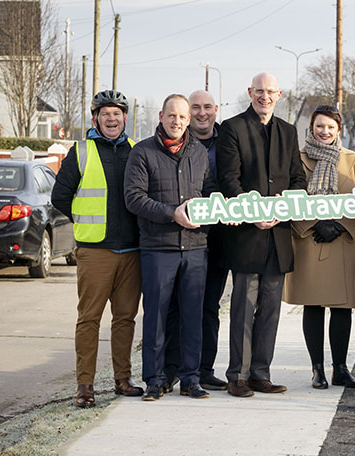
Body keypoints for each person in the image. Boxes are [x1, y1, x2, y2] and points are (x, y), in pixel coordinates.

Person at [216, 72, 307, 398]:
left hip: (278, 235)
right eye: (259, 91)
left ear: (278, 95)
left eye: (270, 92)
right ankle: (236, 376)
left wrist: (281, 210)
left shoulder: (288, 131)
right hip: (246, 235)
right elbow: (229, 179)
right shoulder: (232, 127)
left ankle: (260, 374)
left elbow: (298, 179)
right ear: (250, 92)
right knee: (243, 308)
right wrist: (253, 214)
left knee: (270, 309)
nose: (264, 97)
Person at [52, 90, 143, 407]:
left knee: (125, 318)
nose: (111, 118)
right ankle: (85, 386)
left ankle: (123, 378)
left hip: (132, 251)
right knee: (89, 319)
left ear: (125, 119)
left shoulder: (137, 150)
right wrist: (82, 224)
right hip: (95, 251)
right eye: (105, 114)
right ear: (95, 119)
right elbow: (59, 197)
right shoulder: (81, 152)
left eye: (117, 113)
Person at [124, 94, 216, 401]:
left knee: (193, 315)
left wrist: (222, 209)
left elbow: (210, 191)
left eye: (182, 117)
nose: (177, 121)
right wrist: (171, 213)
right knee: (157, 317)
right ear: (161, 116)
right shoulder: (143, 152)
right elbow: (134, 198)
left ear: (189, 120)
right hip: (157, 248)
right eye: (171, 116)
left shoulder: (200, 152)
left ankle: (190, 379)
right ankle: (154, 379)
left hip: (195, 247)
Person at [282, 105, 355, 389]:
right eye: (320, 126)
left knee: (342, 306)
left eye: (330, 127)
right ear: (311, 128)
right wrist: (313, 224)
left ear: (339, 130)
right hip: (310, 239)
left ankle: (340, 368)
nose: (325, 132)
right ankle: (317, 369)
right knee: (313, 304)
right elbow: (290, 196)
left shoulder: (351, 160)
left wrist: (341, 225)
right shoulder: (297, 158)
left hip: (342, 242)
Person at [162, 90, 229, 392]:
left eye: (206, 108)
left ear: (215, 110)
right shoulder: (176, 144)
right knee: (177, 307)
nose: (201, 113)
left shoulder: (228, 139)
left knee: (209, 306)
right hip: (182, 238)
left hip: (218, 238)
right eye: (195, 108)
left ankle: (204, 369)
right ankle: (173, 369)